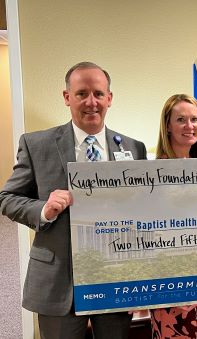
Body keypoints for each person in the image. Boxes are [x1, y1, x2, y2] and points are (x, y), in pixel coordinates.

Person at [0, 62, 147, 339]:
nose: (91, 102)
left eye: (98, 94)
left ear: (109, 98)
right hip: (59, 280)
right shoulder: (37, 144)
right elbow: (7, 199)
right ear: (67, 97)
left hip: (114, 280)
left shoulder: (132, 147)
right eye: (81, 94)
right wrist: (42, 209)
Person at [151, 94, 197, 339]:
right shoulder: (152, 174)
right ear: (168, 126)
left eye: (194, 119)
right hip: (170, 283)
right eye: (181, 119)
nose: (189, 126)